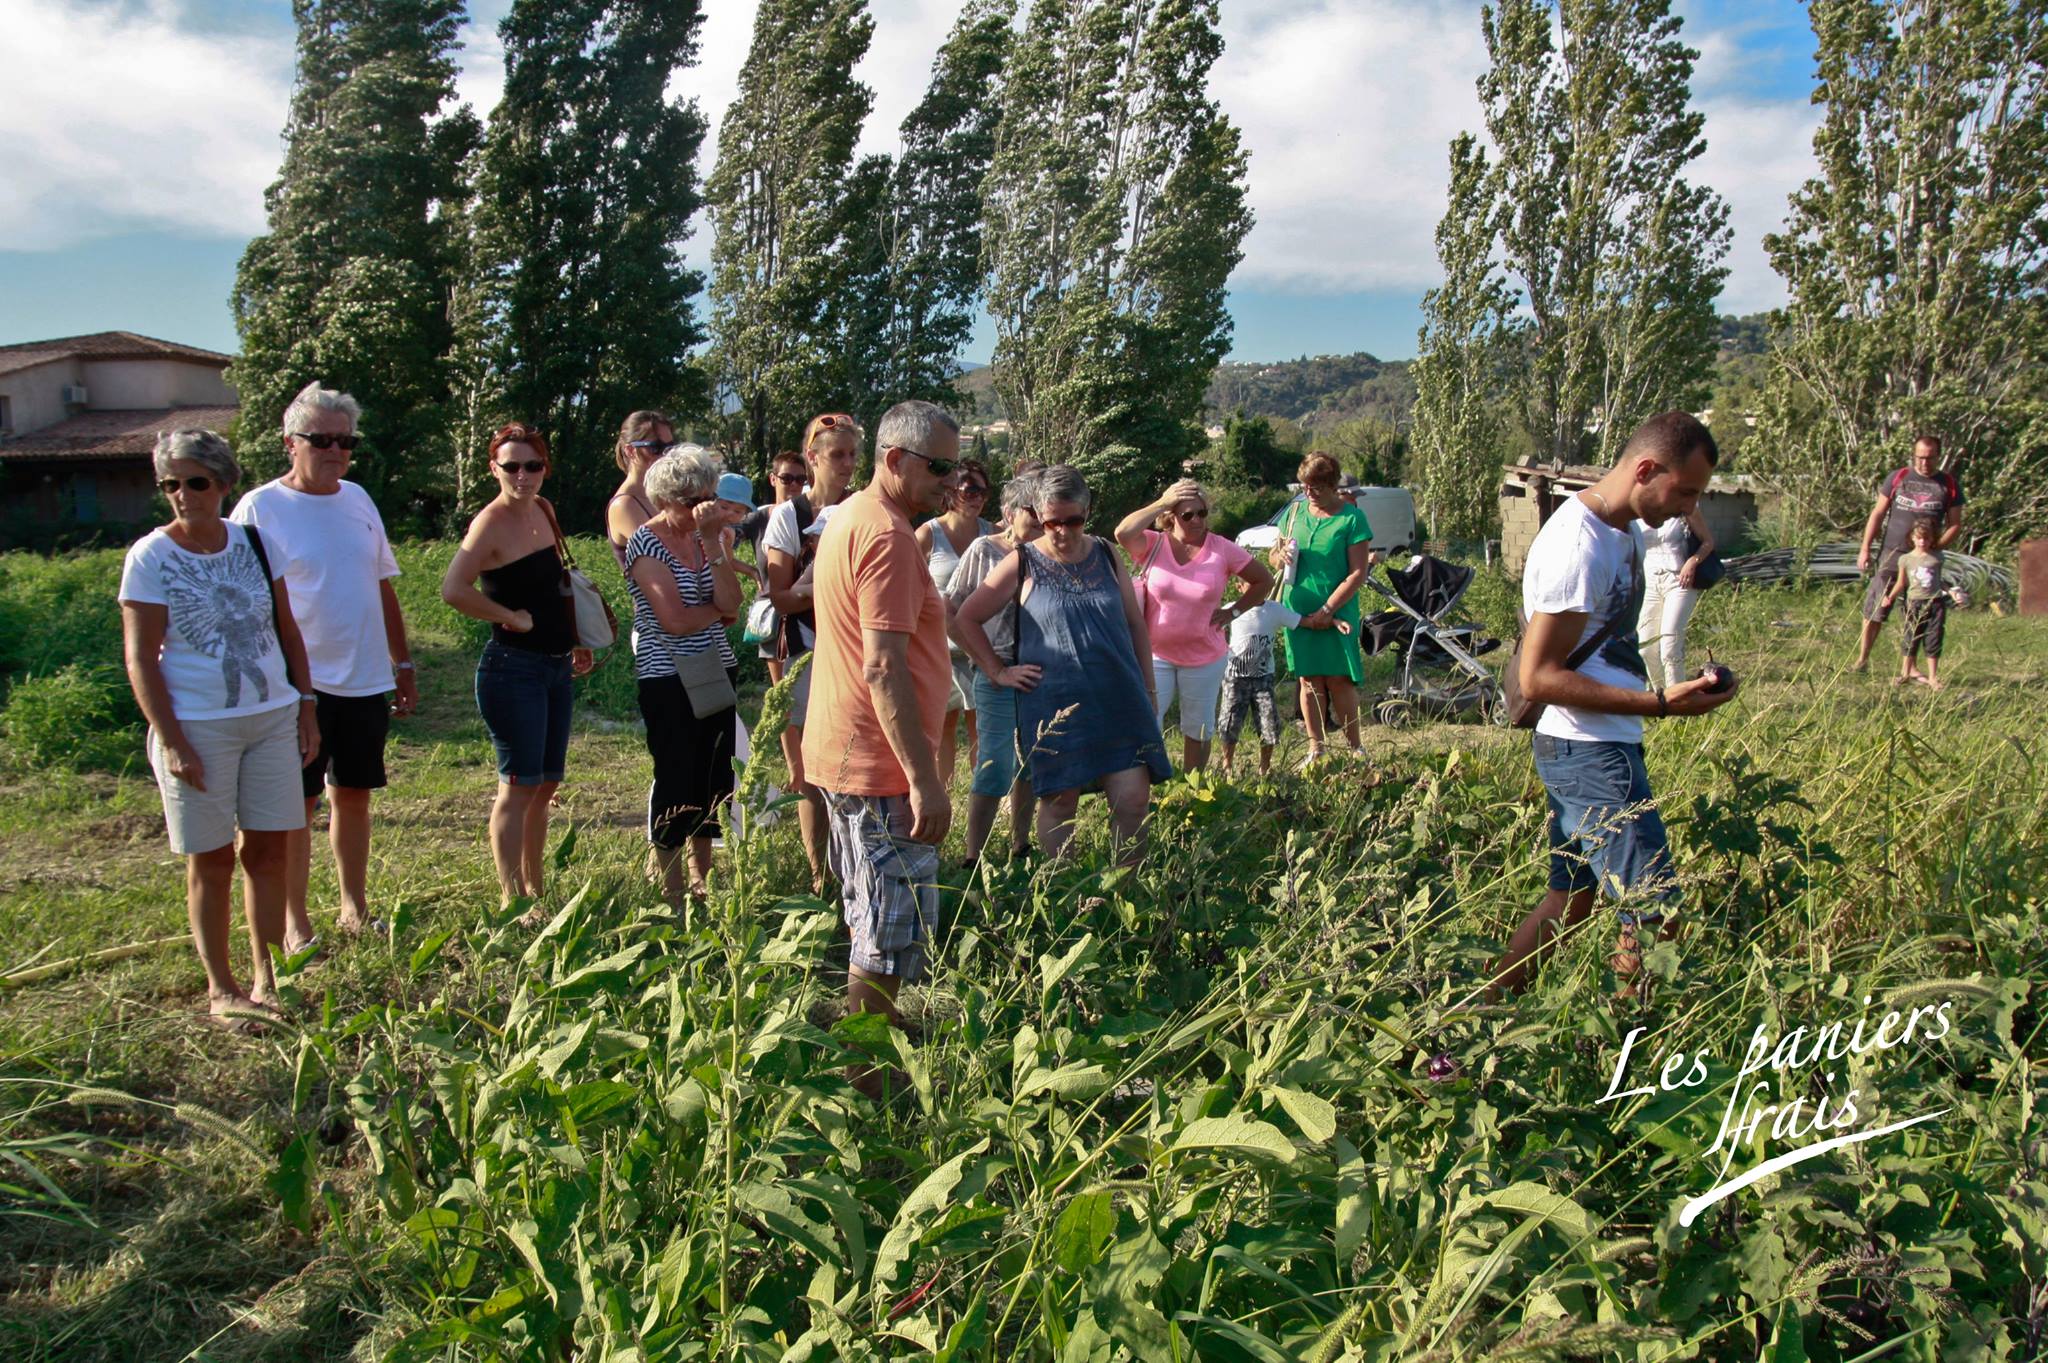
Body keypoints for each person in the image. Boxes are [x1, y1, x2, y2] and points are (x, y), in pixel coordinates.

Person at [1492, 412, 1739, 1000]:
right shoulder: (1579, 545)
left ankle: (1482, 1013)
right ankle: (1625, 1057)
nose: (1686, 509)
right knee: (1654, 917)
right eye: (1684, 491)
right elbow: (1540, 676)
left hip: (1593, 744)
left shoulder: (1620, 530)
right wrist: (1659, 703)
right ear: (1646, 469)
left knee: (1571, 898)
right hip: (1589, 749)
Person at [120, 430, 321, 1028]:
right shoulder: (151, 557)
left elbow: (288, 632)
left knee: (267, 851)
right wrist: (173, 741)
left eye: (196, 482)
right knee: (211, 861)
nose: (183, 495)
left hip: (271, 720)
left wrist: (306, 706)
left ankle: (266, 976)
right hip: (199, 729)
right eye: (170, 484)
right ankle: (222, 989)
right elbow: (141, 657)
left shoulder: (256, 544)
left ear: (225, 484)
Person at [231, 381, 417, 946]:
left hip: (364, 677)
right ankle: (294, 925)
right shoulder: (259, 509)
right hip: (296, 686)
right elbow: (241, 600)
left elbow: (381, 584)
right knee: (297, 805)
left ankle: (354, 909)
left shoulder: (357, 499)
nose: (336, 450)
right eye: (322, 439)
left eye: (346, 440)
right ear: (291, 442)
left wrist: (401, 662)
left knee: (353, 796)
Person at [802, 401, 955, 1042]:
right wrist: (922, 777)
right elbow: (883, 667)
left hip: (848, 747)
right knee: (887, 929)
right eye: (940, 467)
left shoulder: (854, 516)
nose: (952, 481)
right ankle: (866, 1073)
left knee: (869, 908)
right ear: (895, 460)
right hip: (878, 761)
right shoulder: (889, 536)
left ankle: (869, 1039)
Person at [955, 464, 1170, 865]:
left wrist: (1149, 686)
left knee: (1134, 799)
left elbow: (1134, 622)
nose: (1063, 531)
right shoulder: (1022, 561)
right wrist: (997, 671)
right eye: (1053, 521)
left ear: (1087, 513)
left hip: (1119, 697)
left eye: (1074, 520)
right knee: (1059, 803)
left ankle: (1127, 895)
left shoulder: (1106, 553)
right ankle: (1066, 895)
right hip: (1055, 705)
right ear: (1039, 515)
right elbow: (964, 617)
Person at [439, 424, 594, 910]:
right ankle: (512, 900)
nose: (523, 476)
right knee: (518, 784)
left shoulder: (544, 510)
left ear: (545, 469)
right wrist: (508, 617)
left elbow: (554, 588)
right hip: (511, 668)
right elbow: (453, 589)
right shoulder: (489, 522)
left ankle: (536, 889)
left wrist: (575, 639)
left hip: (554, 665)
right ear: (494, 469)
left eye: (533, 466)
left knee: (545, 784)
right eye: (511, 466)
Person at [624, 448, 746, 902]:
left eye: (711, 497)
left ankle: (702, 881)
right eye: (697, 500)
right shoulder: (646, 542)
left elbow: (733, 602)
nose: (707, 508)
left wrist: (715, 546)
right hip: (668, 677)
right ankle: (671, 887)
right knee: (676, 775)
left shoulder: (708, 538)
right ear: (669, 499)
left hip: (716, 670)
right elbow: (672, 620)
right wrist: (715, 611)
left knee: (714, 776)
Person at [763, 413, 862, 895]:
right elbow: (777, 596)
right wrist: (822, 579)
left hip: (853, 651)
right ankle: (819, 876)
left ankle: (851, 872)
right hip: (804, 651)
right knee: (808, 770)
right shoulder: (788, 516)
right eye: (837, 455)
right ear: (813, 457)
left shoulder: (860, 509)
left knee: (848, 764)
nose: (846, 464)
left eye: (852, 454)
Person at [1114, 477, 1274, 772]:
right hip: (1154, 655)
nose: (1197, 520)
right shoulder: (1153, 543)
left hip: (1204, 656)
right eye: (1188, 515)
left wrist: (1234, 611)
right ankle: (1149, 787)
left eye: (1202, 513)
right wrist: (1162, 501)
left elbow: (1264, 580)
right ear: (1171, 517)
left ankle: (1192, 790)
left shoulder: (1221, 549)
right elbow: (1123, 532)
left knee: (1198, 729)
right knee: (1146, 721)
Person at [947, 470, 1044, 863]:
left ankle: (1020, 844)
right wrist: (991, 667)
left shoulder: (1051, 552)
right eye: (1031, 509)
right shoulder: (984, 551)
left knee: (1033, 760)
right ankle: (974, 856)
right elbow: (951, 608)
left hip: (1040, 671)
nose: (1040, 518)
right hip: (996, 670)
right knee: (995, 764)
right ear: (1009, 511)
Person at [1270, 453, 1372, 766]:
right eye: (1305, 485)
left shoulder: (1352, 519)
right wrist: (1280, 557)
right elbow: (1274, 557)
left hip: (1337, 612)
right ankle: (1316, 749)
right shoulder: (1295, 512)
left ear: (1332, 484)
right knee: (1308, 680)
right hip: (1297, 614)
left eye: (1316, 486)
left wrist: (1328, 609)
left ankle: (1355, 748)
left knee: (1338, 679)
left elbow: (1358, 573)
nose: (1309, 492)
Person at [915, 456, 994, 791]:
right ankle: (941, 792)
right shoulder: (928, 534)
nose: (976, 497)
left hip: (983, 648)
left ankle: (983, 793)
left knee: (983, 725)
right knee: (942, 725)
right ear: (951, 491)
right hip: (938, 647)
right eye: (969, 489)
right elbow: (910, 590)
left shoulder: (994, 535)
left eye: (982, 490)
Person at [1853, 434, 1963, 672]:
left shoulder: (1948, 484)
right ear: (1914, 455)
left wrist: (1935, 548)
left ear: (1938, 456)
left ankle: (1910, 667)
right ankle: (1862, 660)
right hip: (1891, 555)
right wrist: (1865, 549)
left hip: (1923, 563)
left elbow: (1955, 524)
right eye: (1920, 457)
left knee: (1917, 612)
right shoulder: (1898, 477)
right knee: (1876, 606)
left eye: (1930, 458)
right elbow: (1878, 513)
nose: (1925, 463)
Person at [737, 450, 809, 684]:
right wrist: (749, 570)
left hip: (806, 610)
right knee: (782, 692)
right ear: (773, 479)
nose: (794, 485)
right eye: (787, 478)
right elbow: (719, 540)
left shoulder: (810, 516)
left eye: (801, 479)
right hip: (774, 615)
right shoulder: (759, 517)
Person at [1631, 506, 1715, 688]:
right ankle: (1661, 698)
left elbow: (1707, 541)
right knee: (1646, 648)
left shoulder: (1684, 506)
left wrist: (1692, 562)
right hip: (1649, 580)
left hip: (1679, 580)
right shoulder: (1637, 510)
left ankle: (1678, 703)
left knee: (1669, 647)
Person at [605, 410, 674, 574]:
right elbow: (668, 556)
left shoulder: (665, 494)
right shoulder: (624, 504)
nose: (666, 455)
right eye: (656, 448)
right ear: (630, 451)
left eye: (670, 447)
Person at [1883, 516, 1948, 690]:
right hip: (1914, 603)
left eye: (1926, 538)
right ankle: (1905, 673)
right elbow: (1901, 582)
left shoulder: (1937, 558)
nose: (1922, 541)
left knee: (1933, 638)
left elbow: (1939, 581)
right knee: (1910, 638)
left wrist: (1952, 591)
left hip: (1935, 603)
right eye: (1919, 538)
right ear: (1912, 537)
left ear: (1932, 539)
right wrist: (1889, 597)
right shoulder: (1905, 559)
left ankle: (1933, 677)